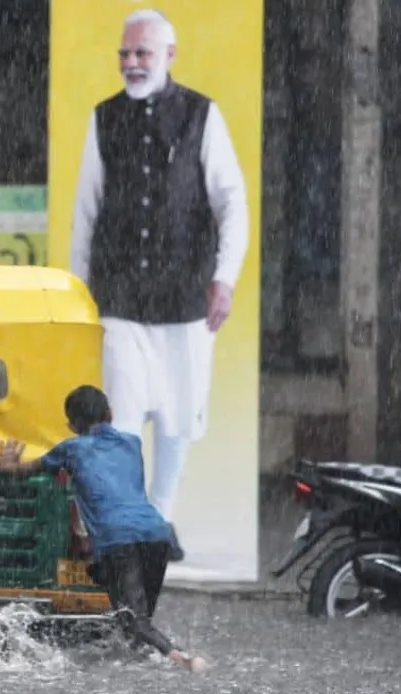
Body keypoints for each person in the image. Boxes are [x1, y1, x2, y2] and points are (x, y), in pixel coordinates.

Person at [69, 9, 251, 562]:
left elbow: (232, 204)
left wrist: (224, 279)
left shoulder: (201, 115)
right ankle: (125, 523)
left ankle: (162, 517)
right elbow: (86, 212)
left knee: (178, 415)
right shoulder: (104, 119)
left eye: (141, 53)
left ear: (169, 55)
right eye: (124, 54)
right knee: (120, 419)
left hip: (186, 299)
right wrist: (78, 293)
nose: (130, 62)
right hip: (120, 299)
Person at [0, 385, 207, 672]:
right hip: (157, 533)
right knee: (135, 617)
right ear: (111, 414)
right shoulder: (132, 443)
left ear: (71, 425)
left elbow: (25, 470)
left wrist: (8, 465)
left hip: (117, 538)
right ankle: (140, 660)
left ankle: (181, 657)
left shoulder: (71, 448)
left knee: (135, 619)